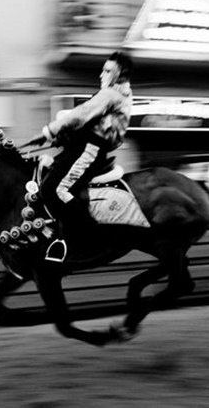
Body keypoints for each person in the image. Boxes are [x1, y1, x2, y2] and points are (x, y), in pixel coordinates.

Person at [34, 51, 134, 261]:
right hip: (83, 147)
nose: (101, 75)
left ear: (120, 75)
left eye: (107, 71)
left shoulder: (110, 95)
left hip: (90, 150)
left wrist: (48, 132)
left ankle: (85, 237)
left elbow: (81, 114)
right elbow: (86, 123)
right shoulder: (113, 94)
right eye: (102, 70)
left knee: (54, 190)